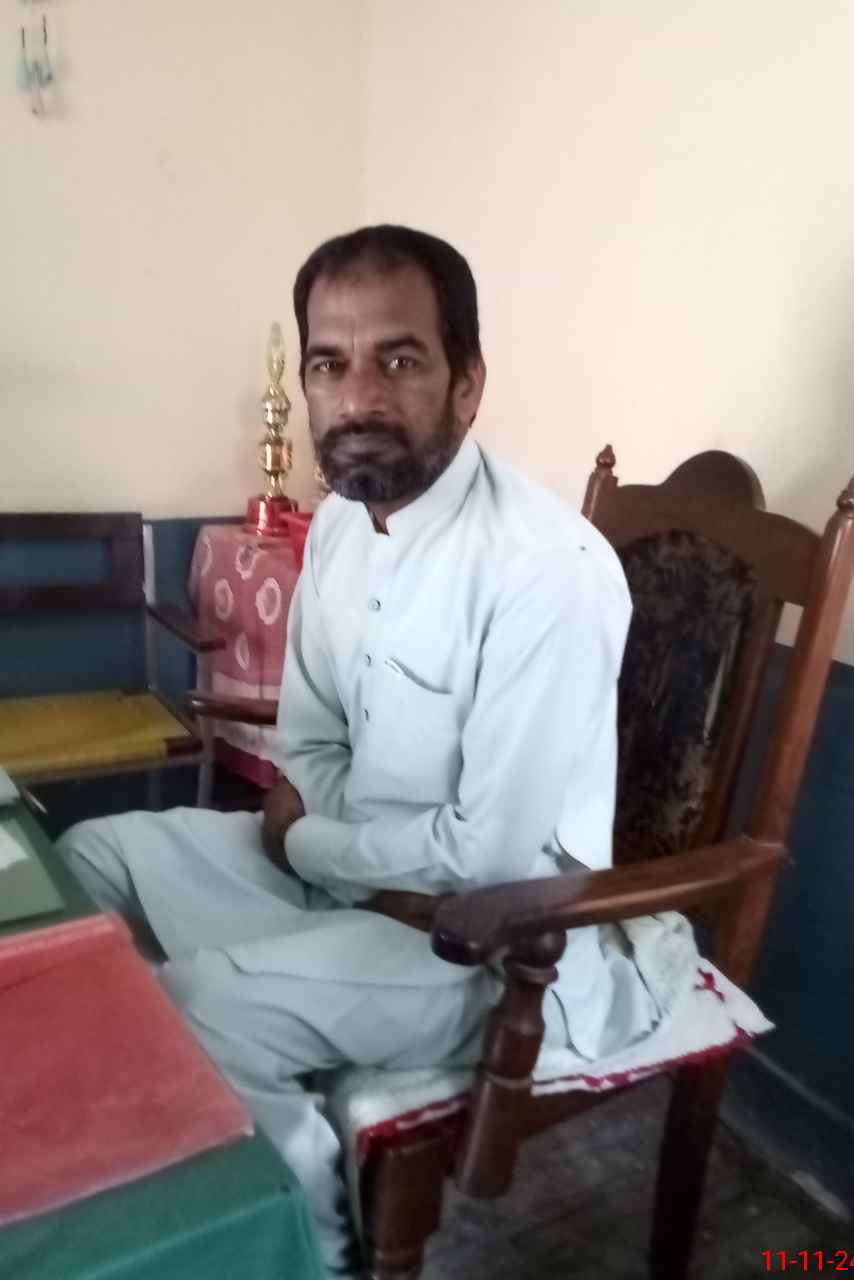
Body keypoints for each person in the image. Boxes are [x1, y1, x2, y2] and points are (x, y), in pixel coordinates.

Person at [57, 225, 695, 1277]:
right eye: (328, 363)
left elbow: (489, 860)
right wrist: (332, 842)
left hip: (488, 944)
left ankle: (313, 1249)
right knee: (93, 858)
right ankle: (166, 1146)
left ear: (467, 382)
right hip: (359, 882)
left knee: (205, 1003)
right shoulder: (346, 526)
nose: (355, 397)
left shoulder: (545, 570)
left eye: (398, 359)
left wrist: (311, 842)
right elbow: (311, 740)